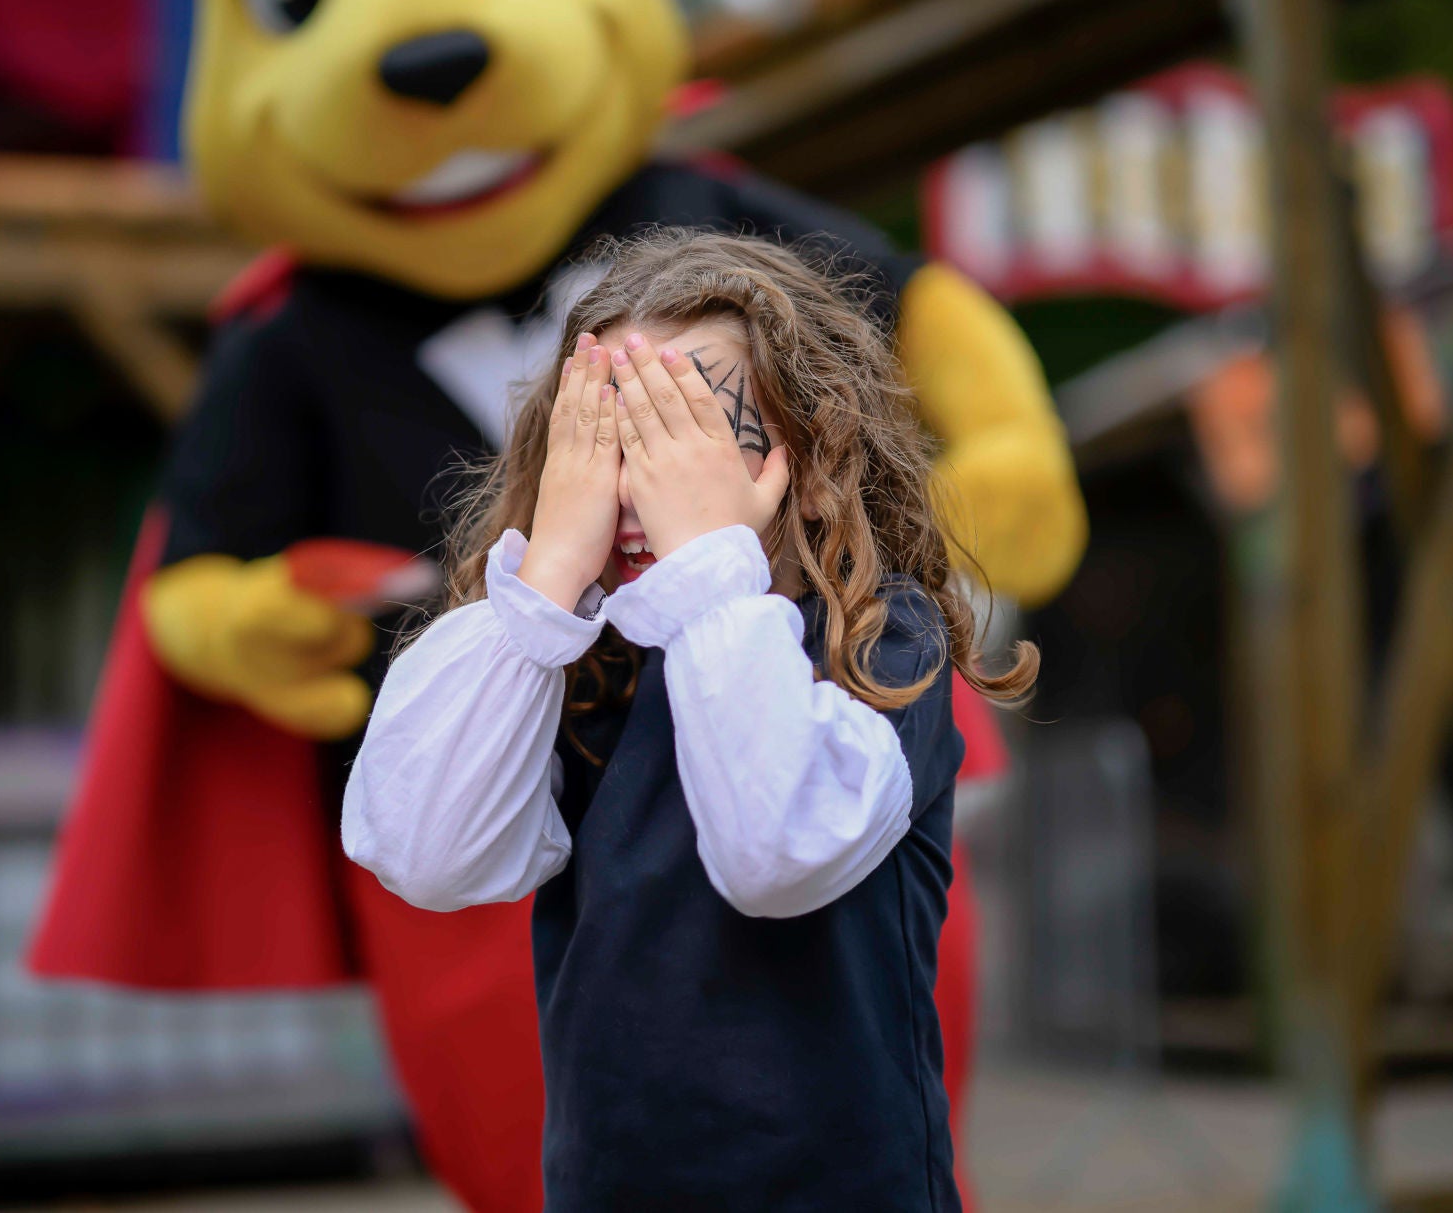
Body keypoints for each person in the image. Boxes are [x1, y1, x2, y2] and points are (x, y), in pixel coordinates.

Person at [342, 231, 1036, 1212]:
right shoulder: (579, 662)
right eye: (610, 437)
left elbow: (775, 854)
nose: (642, 482)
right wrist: (542, 585)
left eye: (686, 434)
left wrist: (707, 566)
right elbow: (421, 851)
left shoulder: (880, 644)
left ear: (805, 441)